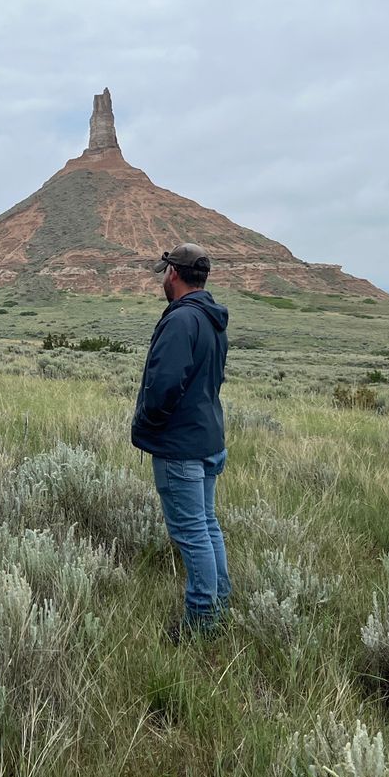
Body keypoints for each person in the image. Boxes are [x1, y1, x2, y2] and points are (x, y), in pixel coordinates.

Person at [130, 242, 231, 641]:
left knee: (192, 533)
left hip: (180, 446)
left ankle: (202, 622)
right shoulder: (211, 318)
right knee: (207, 526)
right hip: (207, 437)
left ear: (173, 273)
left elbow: (165, 384)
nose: (163, 281)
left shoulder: (181, 320)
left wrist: (150, 422)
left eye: (164, 274)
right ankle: (220, 602)